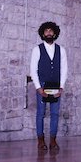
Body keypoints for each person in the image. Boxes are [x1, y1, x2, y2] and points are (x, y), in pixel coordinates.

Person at [29, 21, 68, 152]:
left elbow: (64, 69)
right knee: (40, 113)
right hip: (42, 85)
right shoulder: (37, 49)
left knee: (55, 113)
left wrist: (61, 87)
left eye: (51, 31)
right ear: (42, 33)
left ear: (55, 33)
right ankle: (40, 140)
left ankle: (53, 140)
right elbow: (33, 70)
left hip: (56, 85)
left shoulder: (61, 50)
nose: (49, 33)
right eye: (46, 31)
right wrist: (38, 88)